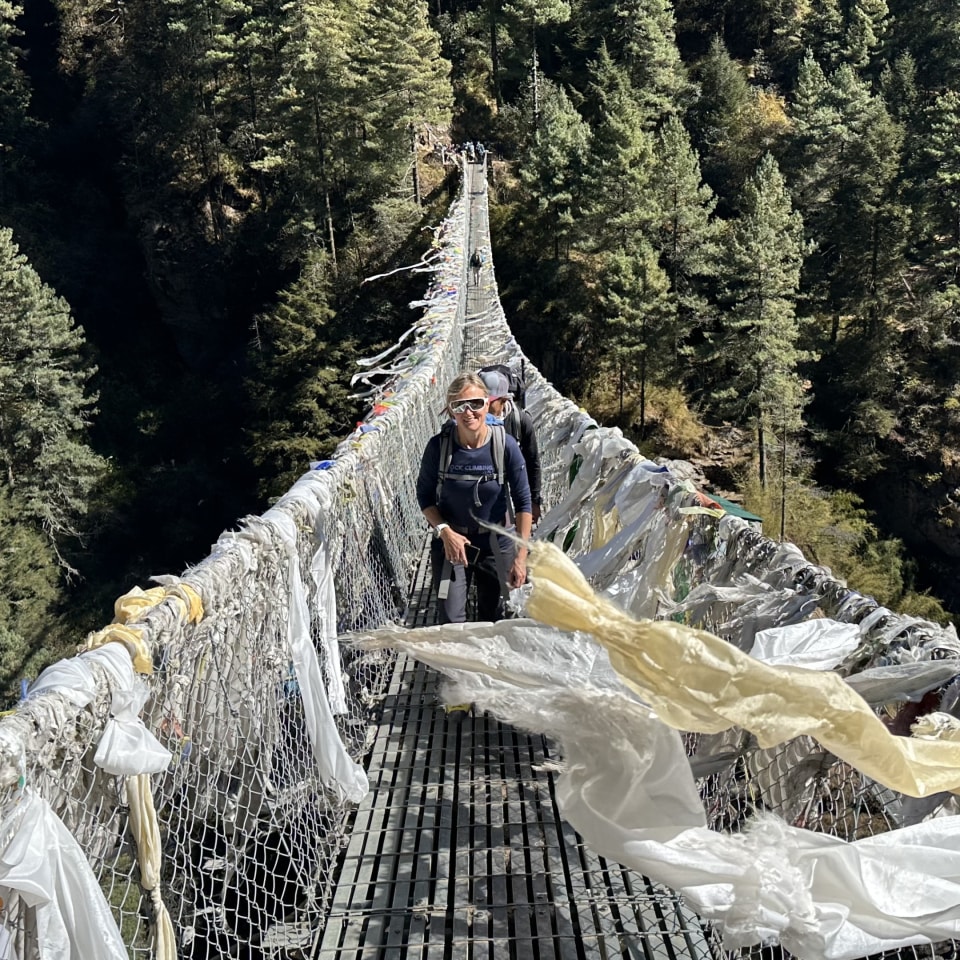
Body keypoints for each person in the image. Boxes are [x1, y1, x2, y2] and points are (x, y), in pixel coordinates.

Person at [416, 372, 532, 624]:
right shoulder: (438, 447)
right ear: (450, 411)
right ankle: (456, 664)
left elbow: (524, 502)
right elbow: (424, 496)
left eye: (476, 404)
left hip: (497, 545)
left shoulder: (506, 445)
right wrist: (445, 532)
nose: (468, 412)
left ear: (488, 403)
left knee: (496, 620)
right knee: (451, 621)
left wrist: (520, 558)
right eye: (459, 406)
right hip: (453, 544)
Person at [478, 368, 543, 524]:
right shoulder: (472, 418)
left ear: (504, 400)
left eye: (489, 402)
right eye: (480, 401)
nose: (483, 407)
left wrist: (534, 501)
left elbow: (532, 461)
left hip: (510, 481)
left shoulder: (519, 421)